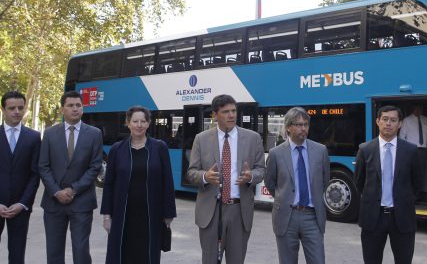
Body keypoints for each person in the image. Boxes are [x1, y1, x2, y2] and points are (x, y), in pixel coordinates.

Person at [187, 94, 265, 264]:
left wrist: (251, 176)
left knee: (236, 260)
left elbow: (261, 170)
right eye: (225, 112)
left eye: (233, 111)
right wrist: (205, 177)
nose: (231, 115)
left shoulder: (253, 138)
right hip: (211, 210)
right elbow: (191, 172)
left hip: (239, 210)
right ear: (215, 115)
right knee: (209, 260)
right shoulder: (201, 139)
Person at [100, 105, 176, 263]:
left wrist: (168, 213)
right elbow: (109, 185)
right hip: (122, 214)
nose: (139, 125)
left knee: (147, 254)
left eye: (143, 121)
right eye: (135, 121)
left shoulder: (159, 148)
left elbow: (167, 181)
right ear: (128, 123)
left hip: (151, 214)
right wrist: (107, 215)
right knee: (121, 254)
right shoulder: (116, 149)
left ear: (148, 124)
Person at [0, 91, 41, 264]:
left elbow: (35, 175)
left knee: (17, 256)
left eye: (20, 107)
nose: (17, 111)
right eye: (12, 108)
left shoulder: (34, 137)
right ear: (3, 109)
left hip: (20, 208)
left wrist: (23, 203)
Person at [39, 90, 103, 264]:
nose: (75, 109)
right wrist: (56, 191)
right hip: (53, 202)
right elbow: (43, 166)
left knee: (81, 251)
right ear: (62, 109)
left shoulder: (95, 133)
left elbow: (95, 166)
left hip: (82, 202)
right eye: (70, 105)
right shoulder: (50, 133)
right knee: (54, 251)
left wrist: (74, 189)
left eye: (78, 105)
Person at [354, 105, 422, 264]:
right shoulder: (365, 150)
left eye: (393, 120)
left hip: (402, 218)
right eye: (385, 119)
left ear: (400, 124)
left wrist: (405, 201)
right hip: (373, 219)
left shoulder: (411, 151)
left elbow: (417, 183)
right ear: (378, 121)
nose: (388, 123)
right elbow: (359, 182)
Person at [264, 107, 330, 264]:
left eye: (306, 124)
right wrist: (284, 197)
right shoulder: (276, 153)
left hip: (312, 216)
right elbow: (270, 182)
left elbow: (325, 180)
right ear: (288, 127)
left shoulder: (320, 151)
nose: (303, 128)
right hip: (287, 216)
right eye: (299, 124)